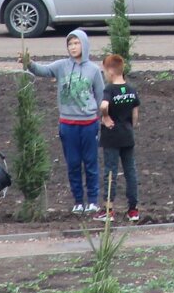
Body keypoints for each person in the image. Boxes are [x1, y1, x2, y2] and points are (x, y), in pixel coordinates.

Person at [21, 29, 105, 214]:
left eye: (76, 43)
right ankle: (77, 201)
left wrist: (104, 117)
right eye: (70, 44)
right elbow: (42, 70)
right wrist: (29, 63)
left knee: (90, 162)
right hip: (68, 124)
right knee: (73, 163)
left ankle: (92, 200)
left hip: (89, 124)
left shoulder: (93, 70)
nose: (73, 47)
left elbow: (100, 96)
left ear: (84, 45)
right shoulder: (61, 66)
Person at [97, 54, 141, 222]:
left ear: (110, 71)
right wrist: (131, 125)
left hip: (112, 136)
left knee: (110, 172)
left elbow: (103, 105)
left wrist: (106, 117)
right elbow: (135, 113)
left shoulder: (109, 89)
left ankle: (108, 210)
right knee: (130, 171)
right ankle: (133, 209)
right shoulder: (130, 89)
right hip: (127, 135)